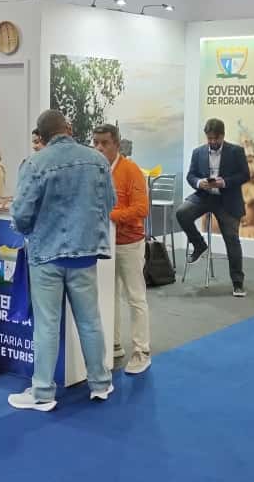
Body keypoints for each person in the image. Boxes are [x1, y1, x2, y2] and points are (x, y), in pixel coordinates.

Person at [7, 110, 115, 412]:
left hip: (46, 254)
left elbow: (21, 213)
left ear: (41, 136)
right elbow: (110, 203)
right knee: (90, 321)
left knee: (47, 325)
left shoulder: (34, 163)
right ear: (68, 128)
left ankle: (42, 392)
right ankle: (100, 383)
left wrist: (31, 229)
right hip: (84, 253)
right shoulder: (97, 160)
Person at [91, 124, 152, 374]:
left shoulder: (131, 170)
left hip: (129, 243)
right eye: (95, 142)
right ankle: (113, 343)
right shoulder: (95, 169)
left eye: (104, 143)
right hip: (104, 243)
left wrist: (111, 216)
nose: (99, 147)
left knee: (135, 297)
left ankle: (141, 351)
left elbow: (142, 208)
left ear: (116, 144)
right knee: (108, 295)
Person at [176, 118, 250, 297]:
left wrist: (224, 182)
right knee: (182, 213)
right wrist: (199, 182)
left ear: (223, 136)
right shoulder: (198, 152)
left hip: (227, 200)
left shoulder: (236, 151)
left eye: (216, 138)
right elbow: (190, 176)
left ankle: (238, 283)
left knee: (232, 241)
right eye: (209, 138)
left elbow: (245, 175)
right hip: (204, 196)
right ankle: (199, 245)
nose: (212, 142)